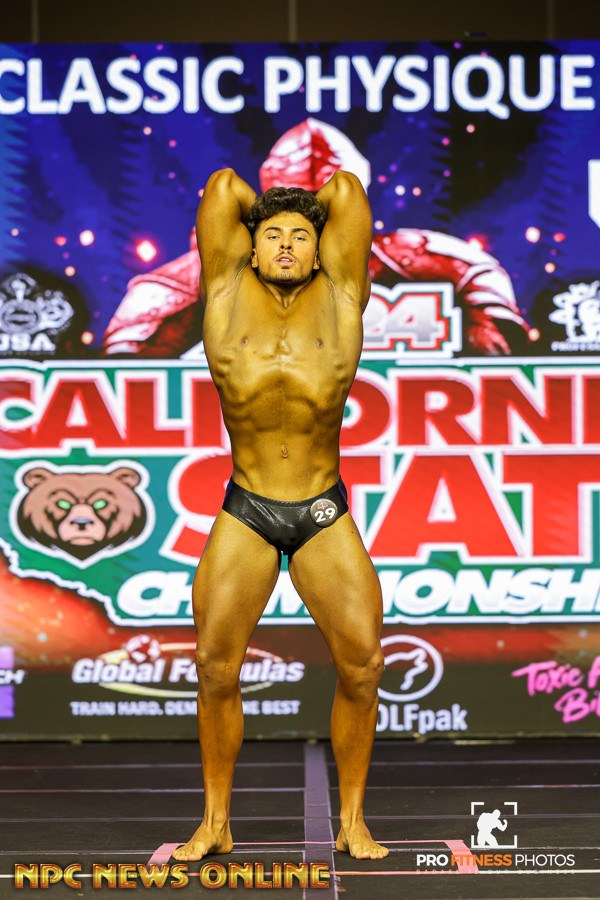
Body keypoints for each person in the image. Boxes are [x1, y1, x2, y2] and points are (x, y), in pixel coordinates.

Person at [171, 167, 388, 862]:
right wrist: (278, 210)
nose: (287, 245)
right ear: (249, 247)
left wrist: (302, 214)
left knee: (363, 666)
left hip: (322, 507)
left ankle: (352, 821)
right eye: (272, 236)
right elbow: (222, 186)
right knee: (214, 668)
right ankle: (215, 822)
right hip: (249, 508)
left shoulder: (343, 291)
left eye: (300, 236)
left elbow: (346, 190)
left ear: (322, 250)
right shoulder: (225, 288)